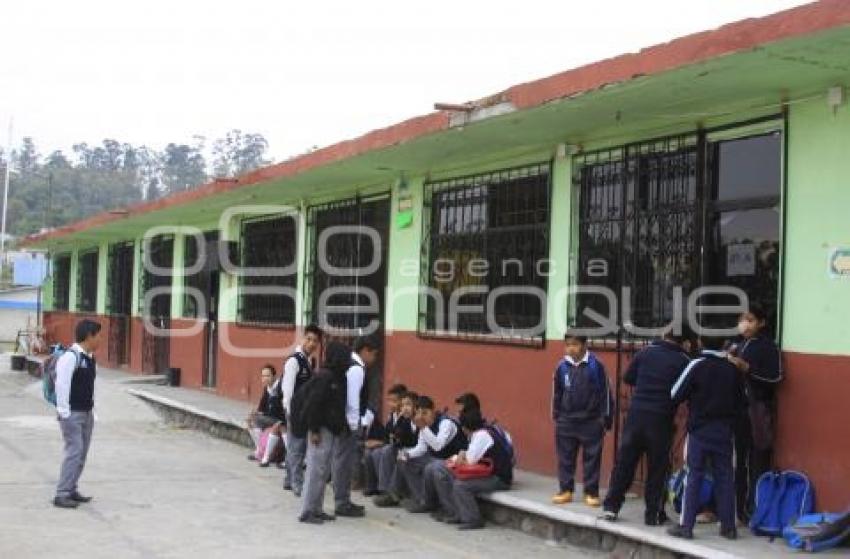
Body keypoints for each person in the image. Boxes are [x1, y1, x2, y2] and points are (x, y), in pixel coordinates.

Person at [602, 329, 691, 525]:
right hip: (661, 419)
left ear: (663, 335)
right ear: (684, 342)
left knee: (625, 464)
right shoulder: (683, 360)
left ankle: (611, 507)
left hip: (636, 415)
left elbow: (628, 378)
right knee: (658, 468)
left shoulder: (645, 352)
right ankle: (653, 515)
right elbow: (685, 390)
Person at [667, 336, 745, 540]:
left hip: (699, 430)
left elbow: (675, 393)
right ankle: (728, 527)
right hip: (725, 431)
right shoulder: (732, 369)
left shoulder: (697, 365)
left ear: (700, 342)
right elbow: (741, 402)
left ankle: (686, 526)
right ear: (724, 344)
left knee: (694, 476)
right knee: (726, 477)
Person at [726, 304, 783, 523]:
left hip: (757, 410)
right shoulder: (737, 345)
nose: (745, 324)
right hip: (736, 410)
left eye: (750, 320)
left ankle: (755, 508)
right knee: (737, 461)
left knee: (757, 459)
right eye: (742, 319)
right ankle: (737, 509)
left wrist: (748, 369)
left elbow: (776, 379)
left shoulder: (768, 348)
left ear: (761, 323)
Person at [551, 331, 614, 507]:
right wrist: (557, 415)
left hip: (591, 420)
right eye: (568, 344)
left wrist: (605, 419)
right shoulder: (561, 367)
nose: (571, 348)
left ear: (585, 345)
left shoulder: (596, 366)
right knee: (565, 457)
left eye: (575, 344)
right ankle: (565, 490)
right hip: (566, 420)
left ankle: (591, 492)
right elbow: (556, 393)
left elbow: (605, 394)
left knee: (592, 458)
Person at [431, 408, 514, 530]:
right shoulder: (481, 433)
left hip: (499, 478)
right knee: (445, 473)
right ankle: (456, 513)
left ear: (464, 428)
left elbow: (469, 461)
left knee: (461, 485)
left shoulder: (481, 436)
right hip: (489, 472)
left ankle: (473, 519)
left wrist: (460, 456)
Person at [298, 341, 351, 525]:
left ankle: (317, 508)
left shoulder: (336, 376)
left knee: (322, 471)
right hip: (320, 430)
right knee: (315, 470)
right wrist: (313, 430)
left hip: (330, 430)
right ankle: (307, 511)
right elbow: (314, 404)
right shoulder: (325, 377)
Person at [54, 319, 102, 509]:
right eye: (99, 335)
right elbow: (62, 385)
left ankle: (72, 488)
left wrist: (93, 411)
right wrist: (64, 412)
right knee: (74, 453)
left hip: (87, 413)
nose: (100, 339)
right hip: (72, 414)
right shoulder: (71, 357)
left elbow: (91, 387)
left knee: (81, 454)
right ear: (89, 336)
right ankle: (62, 493)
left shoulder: (89, 358)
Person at [331, 335, 381, 518]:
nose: (374, 360)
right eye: (374, 355)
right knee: (343, 462)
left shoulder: (351, 364)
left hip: (345, 421)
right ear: (365, 351)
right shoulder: (356, 369)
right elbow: (353, 400)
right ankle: (342, 502)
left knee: (341, 460)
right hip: (348, 423)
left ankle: (342, 498)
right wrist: (354, 425)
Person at [396, 395, 468, 514]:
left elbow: (438, 446)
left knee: (432, 467)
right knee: (406, 461)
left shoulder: (446, 423)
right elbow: (421, 448)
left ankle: (447, 508)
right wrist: (407, 454)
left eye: (425, 413)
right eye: (419, 413)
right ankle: (423, 500)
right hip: (437, 460)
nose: (422, 417)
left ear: (433, 411)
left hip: (454, 461)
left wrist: (423, 427)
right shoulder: (424, 426)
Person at [282, 324, 323, 495]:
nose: (312, 344)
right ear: (302, 338)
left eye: (315, 341)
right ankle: (297, 483)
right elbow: (288, 390)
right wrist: (290, 414)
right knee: (297, 448)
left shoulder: (309, 361)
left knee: (294, 447)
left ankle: (288, 479)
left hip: (303, 411)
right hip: (295, 411)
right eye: (309, 339)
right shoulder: (294, 361)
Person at [373, 390, 420, 507]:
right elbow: (395, 436)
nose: (405, 408)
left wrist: (406, 452)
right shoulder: (404, 419)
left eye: (408, 405)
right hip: (406, 449)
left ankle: (394, 493)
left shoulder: (421, 420)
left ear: (416, 407)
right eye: (403, 405)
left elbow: (420, 445)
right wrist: (399, 419)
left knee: (401, 457)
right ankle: (385, 490)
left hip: (418, 452)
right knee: (387, 450)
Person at [364, 383, 407, 497]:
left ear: (402, 401)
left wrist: (380, 443)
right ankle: (372, 486)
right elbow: (387, 435)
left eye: (394, 401)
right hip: (390, 445)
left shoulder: (405, 417)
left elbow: (400, 438)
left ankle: (386, 490)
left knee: (382, 451)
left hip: (403, 448)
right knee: (369, 453)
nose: (391, 404)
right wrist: (376, 442)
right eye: (389, 400)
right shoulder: (392, 416)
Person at [245, 364, 286, 467]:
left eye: (267, 376)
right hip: (270, 419)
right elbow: (261, 409)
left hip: (281, 419)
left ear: (274, 376)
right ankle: (259, 451)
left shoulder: (280, 388)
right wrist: (252, 414)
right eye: (263, 376)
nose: (265, 378)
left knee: (258, 420)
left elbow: (283, 409)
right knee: (250, 421)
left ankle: (265, 458)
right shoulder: (267, 389)